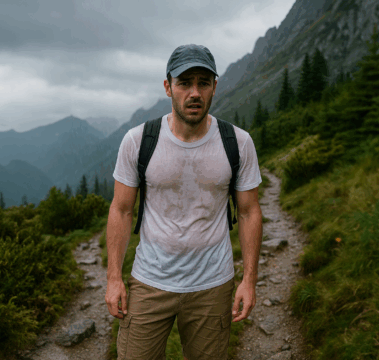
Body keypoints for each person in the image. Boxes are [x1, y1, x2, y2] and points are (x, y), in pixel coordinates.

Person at [105, 44, 263, 360]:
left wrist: (248, 280)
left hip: (212, 286)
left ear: (215, 87)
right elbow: (121, 209)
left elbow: (249, 212)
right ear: (168, 87)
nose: (194, 92)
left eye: (203, 83)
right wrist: (113, 279)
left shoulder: (238, 142)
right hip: (150, 281)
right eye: (184, 82)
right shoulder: (139, 141)